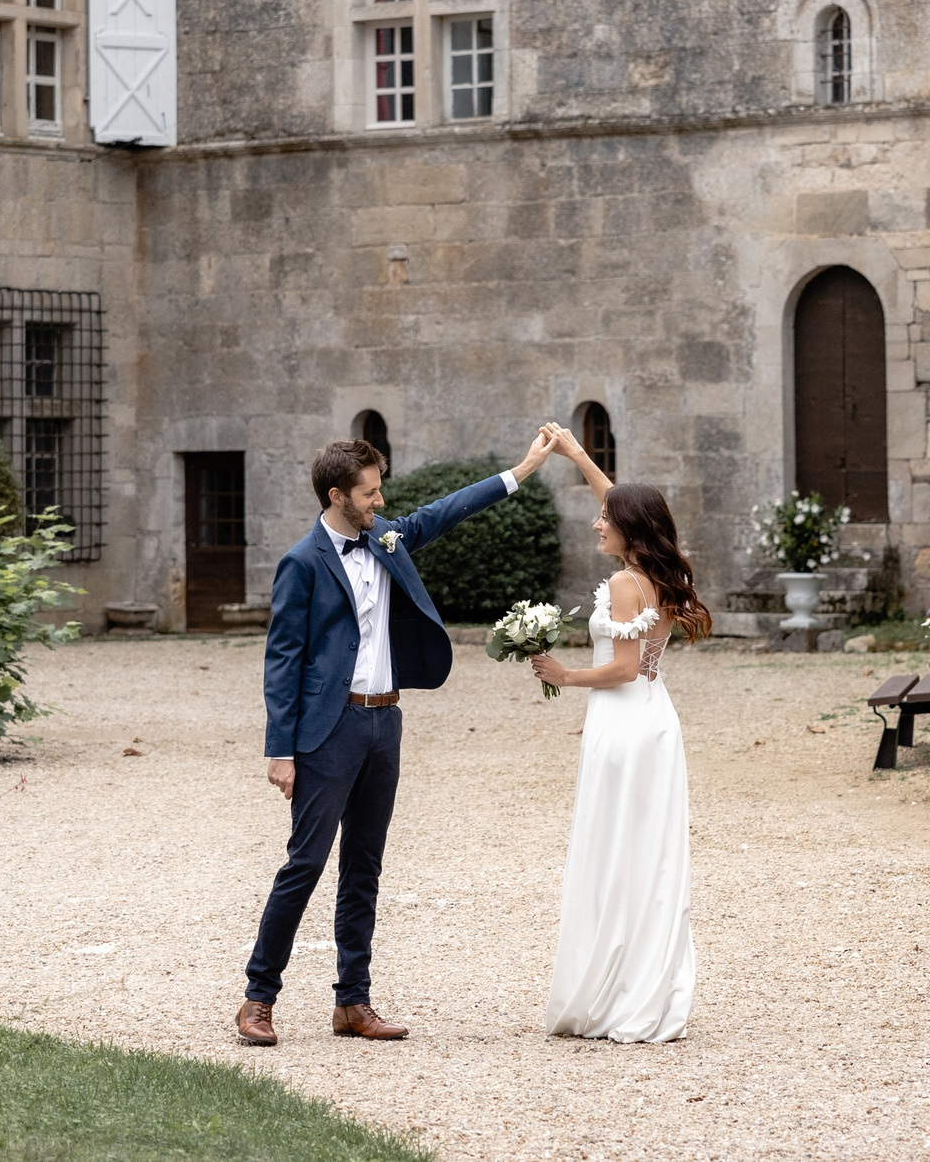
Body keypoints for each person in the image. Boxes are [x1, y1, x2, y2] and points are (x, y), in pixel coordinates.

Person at [237, 426, 562, 1046]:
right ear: (337, 496)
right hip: (325, 731)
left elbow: (445, 512)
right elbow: (282, 660)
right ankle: (257, 999)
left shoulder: (385, 538)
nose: (380, 501)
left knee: (364, 866)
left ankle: (352, 1003)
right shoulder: (301, 563)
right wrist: (279, 751)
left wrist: (521, 471)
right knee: (304, 865)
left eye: (380, 490)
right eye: (369, 493)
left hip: (384, 723)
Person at [529, 423, 711, 1043]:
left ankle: (620, 993)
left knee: (617, 854)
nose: (595, 522)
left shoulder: (624, 583)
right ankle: (641, 983)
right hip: (650, 719)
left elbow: (626, 667)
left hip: (627, 722)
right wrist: (577, 454)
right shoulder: (650, 569)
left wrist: (564, 673)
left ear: (629, 529)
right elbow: (619, 501)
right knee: (642, 856)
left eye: (605, 519)